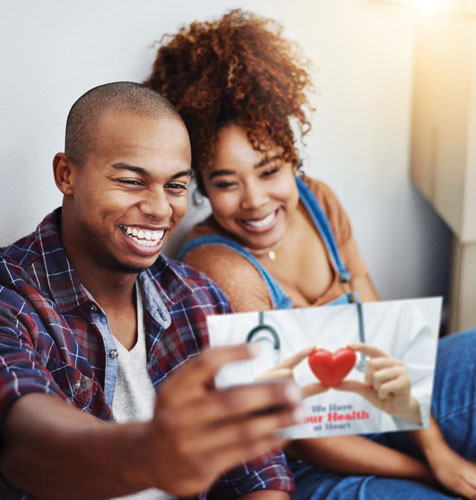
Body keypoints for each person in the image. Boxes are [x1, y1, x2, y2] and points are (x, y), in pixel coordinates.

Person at [145, 10, 476, 499]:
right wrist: (429, 470)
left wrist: (436, 449)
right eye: (225, 183)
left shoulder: (319, 202)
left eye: (270, 170)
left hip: (379, 412)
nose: (255, 201)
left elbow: (386, 352)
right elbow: (297, 434)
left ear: (293, 157)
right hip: (303, 461)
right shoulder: (219, 267)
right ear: (202, 185)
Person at [0, 82, 306, 500]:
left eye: (175, 186)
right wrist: (149, 454)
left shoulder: (199, 297)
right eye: (132, 181)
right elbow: (21, 438)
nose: (159, 208)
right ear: (67, 175)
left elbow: (260, 475)